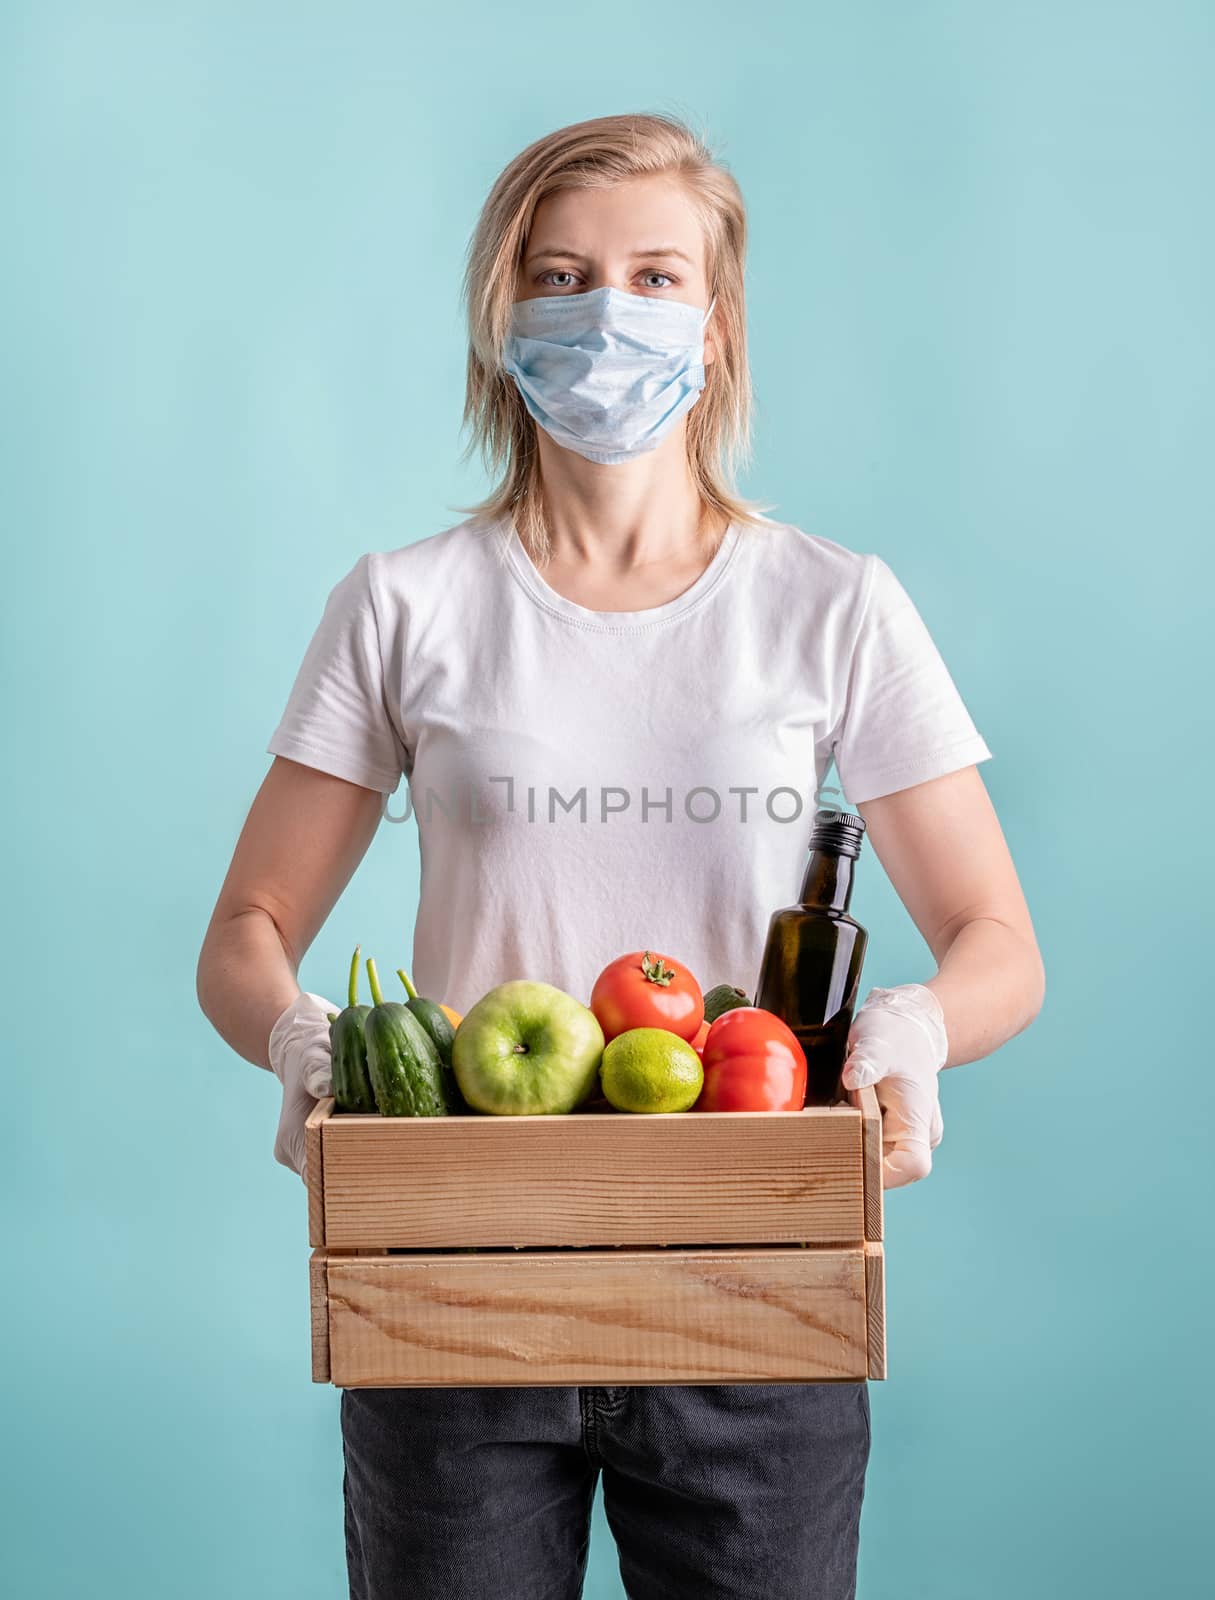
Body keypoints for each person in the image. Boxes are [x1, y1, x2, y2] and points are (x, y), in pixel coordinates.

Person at [197, 111, 1045, 1600]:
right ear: (500, 314)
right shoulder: (403, 606)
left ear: (713, 326)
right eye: (564, 275)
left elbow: (998, 940)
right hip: (462, 1285)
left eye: (658, 276)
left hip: (751, 1289)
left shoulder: (833, 605)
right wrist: (302, 1037)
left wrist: (914, 1027)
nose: (609, 313)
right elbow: (248, 925)